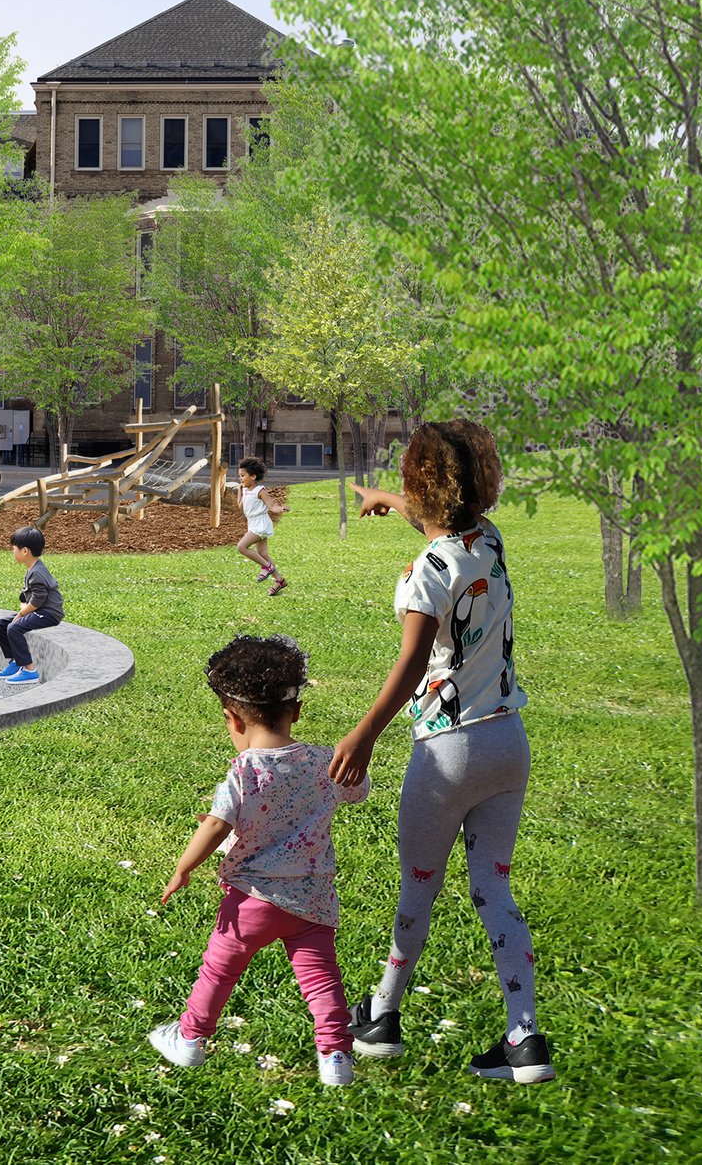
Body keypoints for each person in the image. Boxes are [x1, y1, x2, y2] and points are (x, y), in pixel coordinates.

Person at [328, 420, 552, 1083]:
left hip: (447, 753)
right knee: (495, 892)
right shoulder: (488, 541)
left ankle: (383, 1018)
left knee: (417, 887)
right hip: (507, 744)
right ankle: (525, 1038)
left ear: (421, 484)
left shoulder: (425, 573)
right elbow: (442, 529)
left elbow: (412, 661)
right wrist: (387, 500)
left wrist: (362, 734)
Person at [152, 634, 367, 1087]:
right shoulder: (325, 761)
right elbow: (355, 791)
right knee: (321, 978)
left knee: (220, 969)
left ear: (232, 718)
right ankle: (335, 1058)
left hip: (251, 899)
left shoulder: (245, 770)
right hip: (312, 898)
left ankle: (191, 1039)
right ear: (297, 712)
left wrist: (183, 867)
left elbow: (215, 825)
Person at [0, 525, 60, 685]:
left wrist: (21, 614)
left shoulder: (36, 572)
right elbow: (29, 593)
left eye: (14, 548)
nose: (12, 552)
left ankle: (30, 670)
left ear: (24, 551)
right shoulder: (33, 569)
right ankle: (16, 661)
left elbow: (39, 599)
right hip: (39, 609)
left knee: (14, 627)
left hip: (48, 613)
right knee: (0, 625)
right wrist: (23, 601)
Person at [236, 456, 291, 596]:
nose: (241, 479)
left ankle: (267, 567)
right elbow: (240, 506)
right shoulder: (247, 490)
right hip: (252, 523)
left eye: (243, 476)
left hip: (260, 523)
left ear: (253, 476)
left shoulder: (260, 490)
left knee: (242, 547)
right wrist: (240, 490)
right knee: (263, 554)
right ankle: (279, 580)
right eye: (239, 476)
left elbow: (272, 506)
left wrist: (281, 508)